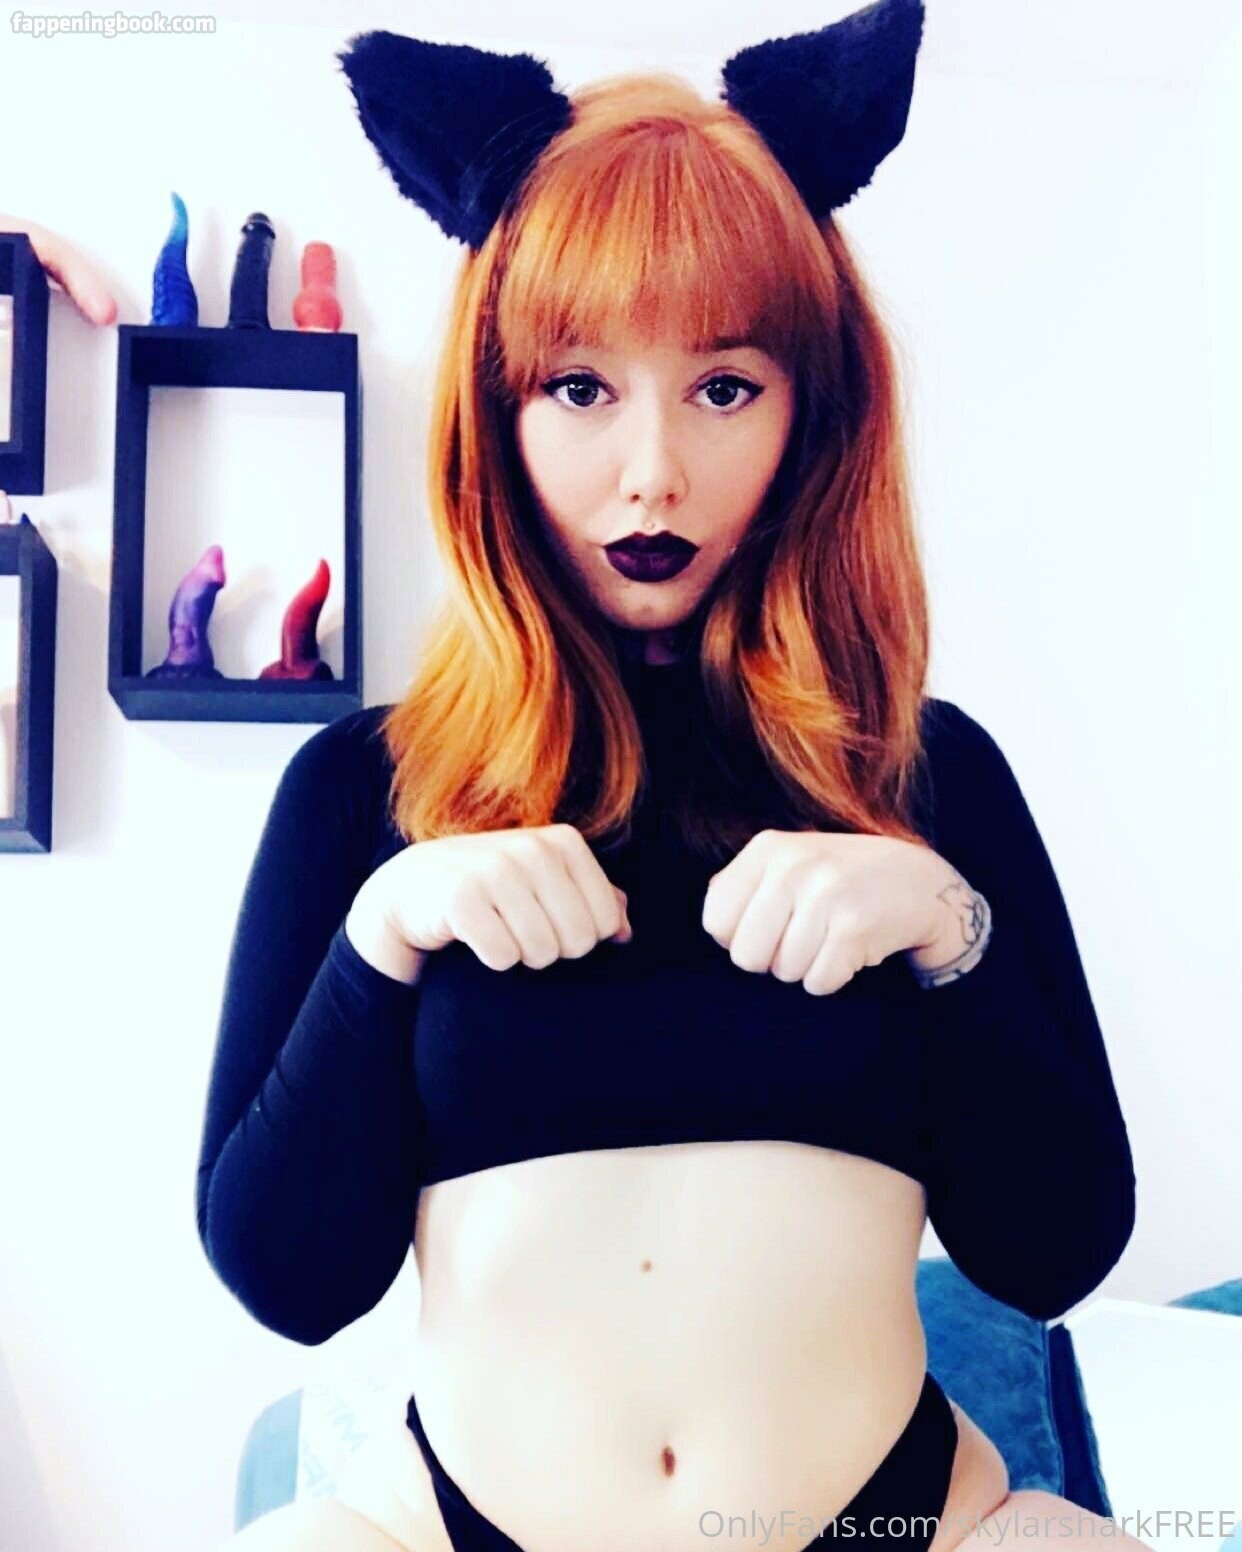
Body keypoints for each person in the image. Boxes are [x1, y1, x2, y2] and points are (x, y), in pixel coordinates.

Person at [197, 8, 1146, 1551]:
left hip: (908, 1527)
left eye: (723, 388)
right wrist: (384, 934)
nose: (652, 472)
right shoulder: (364, 788)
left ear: (812, 409)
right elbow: (287, 1283)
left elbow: (1053, 1255)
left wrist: (947, 924)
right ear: (494, 411)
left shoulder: (922, 770)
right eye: (579, 389)